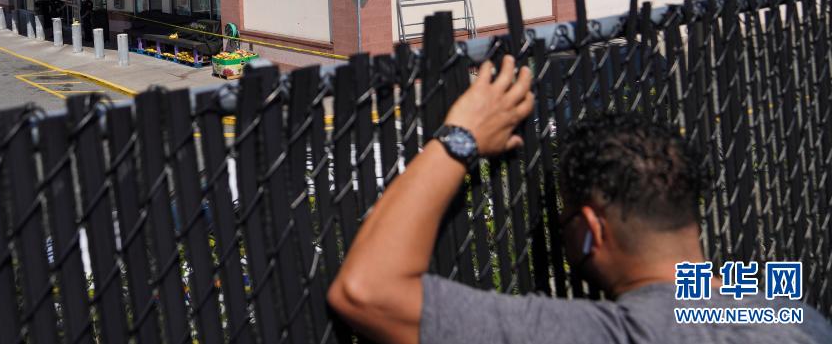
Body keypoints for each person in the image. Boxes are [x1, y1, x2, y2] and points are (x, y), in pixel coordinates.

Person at [327, 56, 832, 343]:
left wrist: (461, 137)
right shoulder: (795, 317)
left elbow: (366, 290)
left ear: (591, 229)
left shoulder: (614, 334)